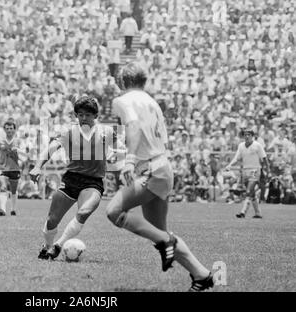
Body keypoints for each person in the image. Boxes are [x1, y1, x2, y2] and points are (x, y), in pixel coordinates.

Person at [106, 62, 215, 292]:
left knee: (114, 211)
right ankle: (202, 275)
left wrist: (130, 160)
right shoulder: (152, 101)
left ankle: (168, 242)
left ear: (123, 81)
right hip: (163, 167)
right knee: (159, 232)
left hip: (151, 169)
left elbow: (134, 127)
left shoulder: (123, 100)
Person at [29, 96, 124, 260]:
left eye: (87, 114)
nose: (83, 118)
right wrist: (38, 166)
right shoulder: (69, 132)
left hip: (93, 182)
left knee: (84, 211)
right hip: (71, 179)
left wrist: (114, 156)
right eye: (80, 115)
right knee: (52, 220)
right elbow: (52, 147)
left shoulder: (107, 132)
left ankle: (58, 245)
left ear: (95, 115)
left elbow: (120, 150)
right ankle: (47, 246)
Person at [226, 129, 269, 218]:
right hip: (245, 171)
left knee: (249, 190)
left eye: (249, 134)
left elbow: (264, 158)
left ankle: (243, 212)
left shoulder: (257, 145)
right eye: (245, 134)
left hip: (255, 170)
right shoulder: (241, 146)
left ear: (252, 136)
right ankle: (258, 213)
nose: (247, 136)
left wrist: (267, 171)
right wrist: (229, 165)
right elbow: (236, 158)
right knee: (252, 193)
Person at [0, 118, 24, 216]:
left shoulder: (19, 142)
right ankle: (2, 209)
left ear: (14, 130)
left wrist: (17, 152)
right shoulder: (0, 142)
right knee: (3, 187)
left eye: (11, 128)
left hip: (15, 168)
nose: (9, 130)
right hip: (3, 168)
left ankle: (13, 209)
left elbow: (25, 155)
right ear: (4, 130)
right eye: (7, 128)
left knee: (13, 190)